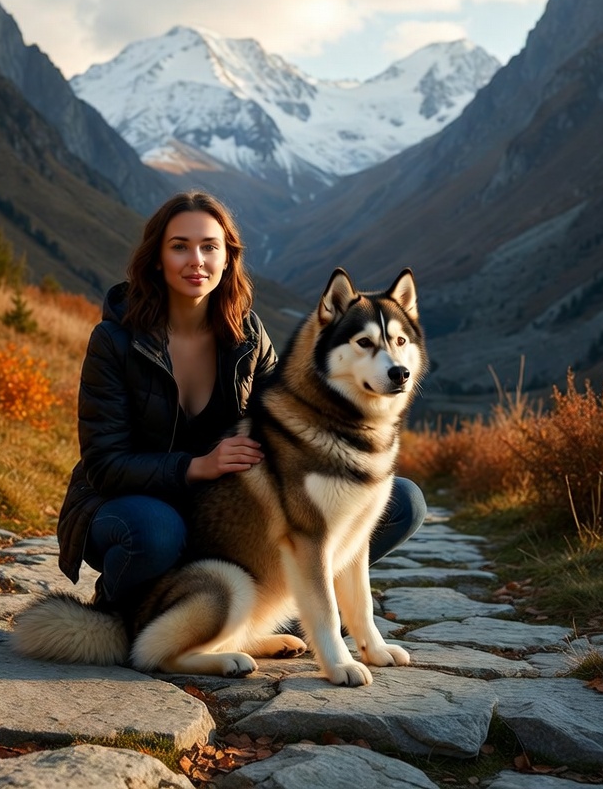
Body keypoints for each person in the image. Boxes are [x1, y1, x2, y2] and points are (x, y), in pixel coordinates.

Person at [56, 190, 426, 611]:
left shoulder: (247, 335)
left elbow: (284, 417)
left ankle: (281, 612)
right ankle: (116, 611)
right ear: (157, 258)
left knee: (400, 502)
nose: (196, 260)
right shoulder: (114, 341)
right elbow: (104, 465)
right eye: (180, 247)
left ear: (228, 258)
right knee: (158, 533)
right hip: (131, 505)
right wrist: (197, 466)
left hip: (226, 511)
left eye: (209, 247)